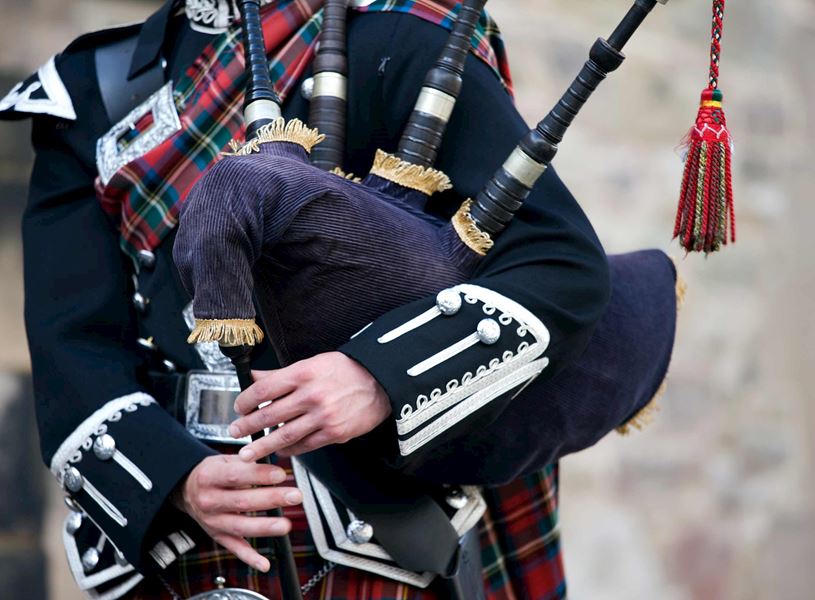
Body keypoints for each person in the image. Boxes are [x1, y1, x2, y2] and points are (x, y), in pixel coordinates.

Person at [0, 0, 666, 598]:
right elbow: (72, 339)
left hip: (376, 524)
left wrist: (378, 377)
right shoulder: (90, 89)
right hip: (174, 535)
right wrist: (171, 478)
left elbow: (557, 266)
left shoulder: (402, 37)